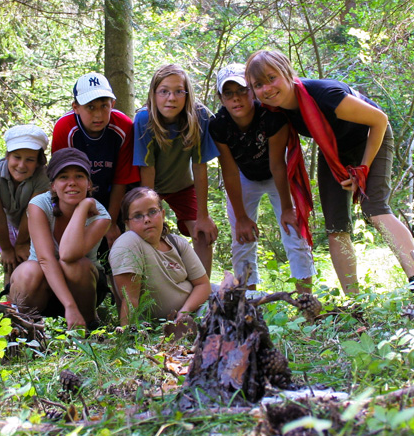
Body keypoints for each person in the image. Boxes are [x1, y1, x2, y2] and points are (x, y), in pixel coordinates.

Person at [245, 50, 414, 297]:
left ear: (287, 72)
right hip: (333, 149)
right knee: (335, 225)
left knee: (375, 209)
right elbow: (276, 160)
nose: (267, 88)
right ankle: (354, 299)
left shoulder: (325, 95)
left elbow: (380, 120)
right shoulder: (277, 112)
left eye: (271, 78)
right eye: (258, 85)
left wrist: (363, 168)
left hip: (371, 138)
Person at [209, 63, 316, 292]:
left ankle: (306, 301)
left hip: (278, 174)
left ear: (252, 91)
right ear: (221, 98)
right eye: (228, 94)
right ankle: (249, 304)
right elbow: (229, 171)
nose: (236, 99)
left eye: (242, 91)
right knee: (242, 238)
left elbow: (278, 164)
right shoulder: (218, 125)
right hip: (243, 176)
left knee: (294, 230)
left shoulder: (272, 116)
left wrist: (288, 208)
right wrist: (241, 217)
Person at [133, 64, 220, 276]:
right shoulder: (145, 119)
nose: (171, 98)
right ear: (154, 94)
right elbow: (147, 170)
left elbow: (199, 167)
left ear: (187, 94)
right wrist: (151, 211)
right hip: (148, 187)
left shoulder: (198, 117)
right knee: (145, 234)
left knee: (203, 234)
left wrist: (203, 215)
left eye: (178, 91)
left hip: (181, 186)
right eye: (164, 91)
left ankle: (203, 292)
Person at [9, 148, 111, 329]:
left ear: (89, 183)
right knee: (29, 271)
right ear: (53, 186)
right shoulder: (39, 205)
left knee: (75, 265)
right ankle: (25, 328)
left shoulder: (101, 216)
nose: (72, 183)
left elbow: (67, 255)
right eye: (63, 177)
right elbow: (45, 259)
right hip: (41, 286)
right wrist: (68, 305)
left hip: (82, 288)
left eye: (79, 176)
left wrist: (82, 207)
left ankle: (87, 325)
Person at [51, 72, 139, 255]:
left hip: (113, 193)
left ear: (112, 104)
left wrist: (112, 221)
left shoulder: (123, 126)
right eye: (90, 107)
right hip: (75, 192)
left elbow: (121, 179)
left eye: (104, 106)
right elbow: (62, 179)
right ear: (76, 107)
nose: (98, 114)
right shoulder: (65, 128)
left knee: (114, 242)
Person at [110, 187, 210, 331]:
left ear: (162, 214)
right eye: (138, 216)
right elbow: (130, 298)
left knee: (247, 300)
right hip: (160, 326)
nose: (147, 220)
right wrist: (127, 335)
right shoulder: (129, 243)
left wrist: (184, 312)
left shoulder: (177, 243)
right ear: (128, 223)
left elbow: (203, 284)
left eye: (152, 212)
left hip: (200, 308)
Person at [0, 125, 50, 286]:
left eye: (30, 160)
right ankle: (10, 300)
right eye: (17, 157)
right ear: (7, 156)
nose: (22, 165)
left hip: (35, 220)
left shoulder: (44, 179)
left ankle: (40, 299)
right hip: (4, 220)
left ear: (38, 162)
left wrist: (22, 243)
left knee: (32, 258)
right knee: (10, 261)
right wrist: (7, 249)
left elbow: (31, 214)